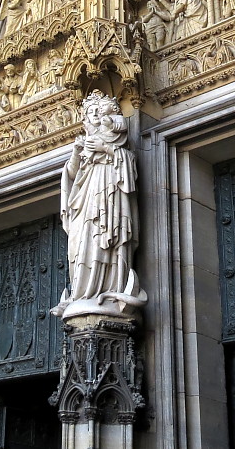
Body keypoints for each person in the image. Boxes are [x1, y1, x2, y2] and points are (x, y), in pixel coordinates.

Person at [53, 91, 146, 318]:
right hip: (84, 207)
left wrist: (106, 149)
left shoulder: (121, 152)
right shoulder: (84, 146)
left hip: (110, 206)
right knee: (81, 241)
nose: (94, 115)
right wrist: (77, 153)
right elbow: (73, 176)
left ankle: (111, 289)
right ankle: (81, 293)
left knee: (106, 240)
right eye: (90, 112)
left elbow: (128, 174)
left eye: (98, 111)